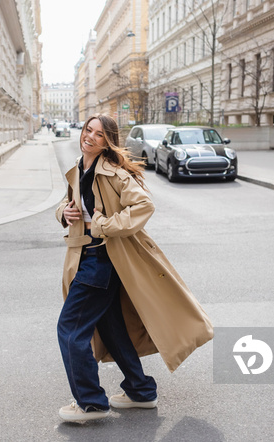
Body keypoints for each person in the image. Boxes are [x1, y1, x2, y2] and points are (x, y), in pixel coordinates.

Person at [55, 113, 213, 423]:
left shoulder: (114, 173)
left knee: (70, 329)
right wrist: (65, 210)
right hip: (89, 256)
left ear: (107, 142)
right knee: (111, 327)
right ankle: (141, 391)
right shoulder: (78, 168)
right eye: (88, 130)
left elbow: (144, 206)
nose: (90, 137)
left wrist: (105, 226)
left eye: (99, 134)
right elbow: (68, 202)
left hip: (101, 259)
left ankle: (90, 403)